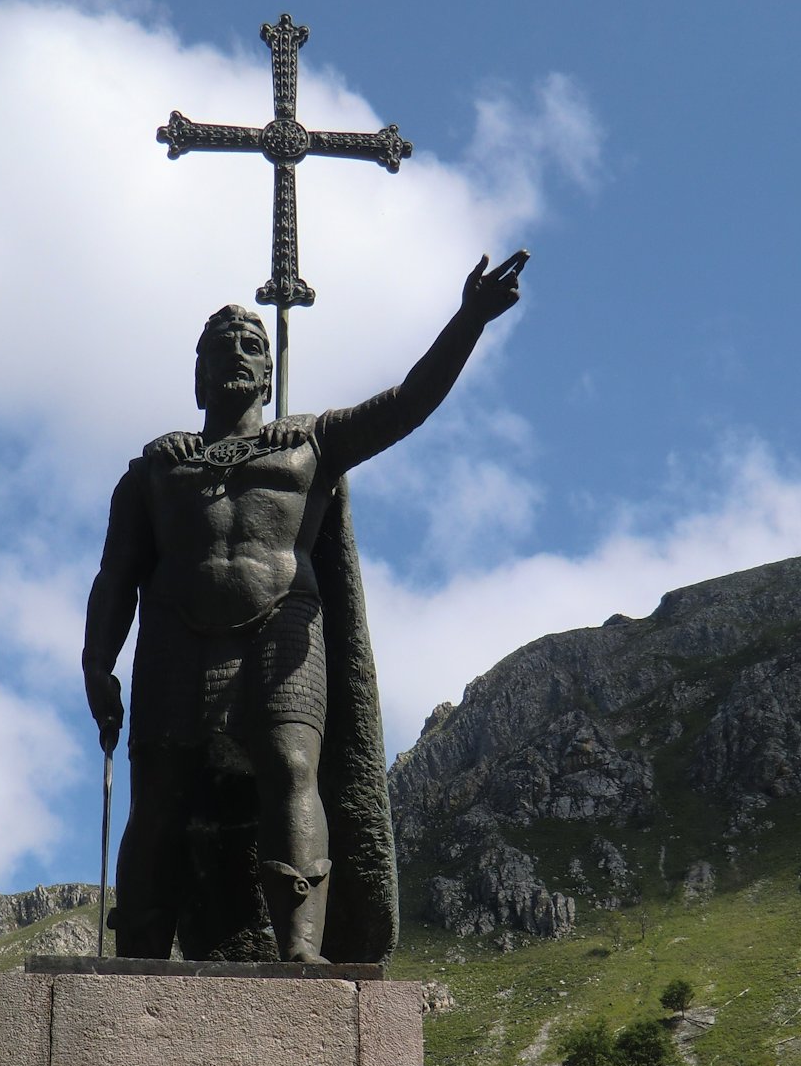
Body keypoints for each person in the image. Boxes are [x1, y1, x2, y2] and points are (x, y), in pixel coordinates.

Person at [83, 250, 526, 963]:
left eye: (252, 345)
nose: (237, 353)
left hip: (282, 630)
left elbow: (408, 403)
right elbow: (116, 576)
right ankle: (139, 955)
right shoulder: (155, 470)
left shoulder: (313, 443)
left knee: (292, 769)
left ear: (266, 371)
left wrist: (469, 319)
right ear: (197, 373)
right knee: (160, 796)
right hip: (173, 636)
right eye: (220, 347)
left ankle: (302, 952)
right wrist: (96, 663)